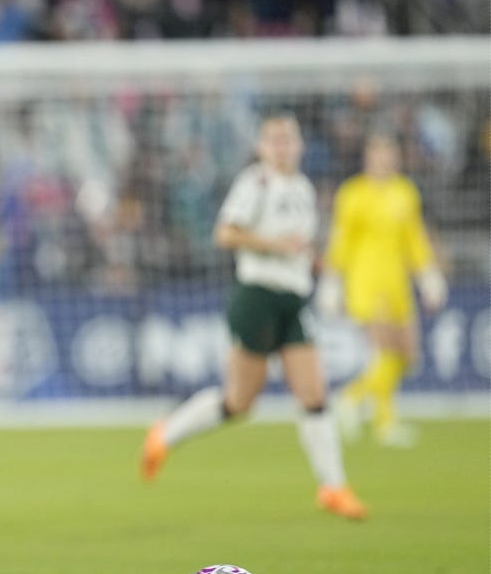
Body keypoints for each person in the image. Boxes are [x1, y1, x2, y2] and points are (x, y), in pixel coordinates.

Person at [140, 113, 367, 521]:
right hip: (257, 294)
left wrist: (324, 274)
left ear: (299, 144)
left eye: (288, 139)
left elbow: (300, 246)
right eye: (274, 140)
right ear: (262, 147)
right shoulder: (255, 182)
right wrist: (274, 246)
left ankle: (333, 487)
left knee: (314, 394)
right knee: (239, 402)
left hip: (294, 298)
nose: (282, 147)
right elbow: (225, 233)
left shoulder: (302, 188)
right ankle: (164, 435)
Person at [317, 134, 447, 447]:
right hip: (366, 282)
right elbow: (342, 240)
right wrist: (332, 280)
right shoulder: (353, 194)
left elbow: (413, 238)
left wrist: (428, 274)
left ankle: (356, 401)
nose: (384, 160)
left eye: (389, 153)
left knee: (406, 355)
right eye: (378, 154)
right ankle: (376, 417)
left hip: (397, 282)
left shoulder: (404, 191)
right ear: (367, 158)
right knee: (385, 350)